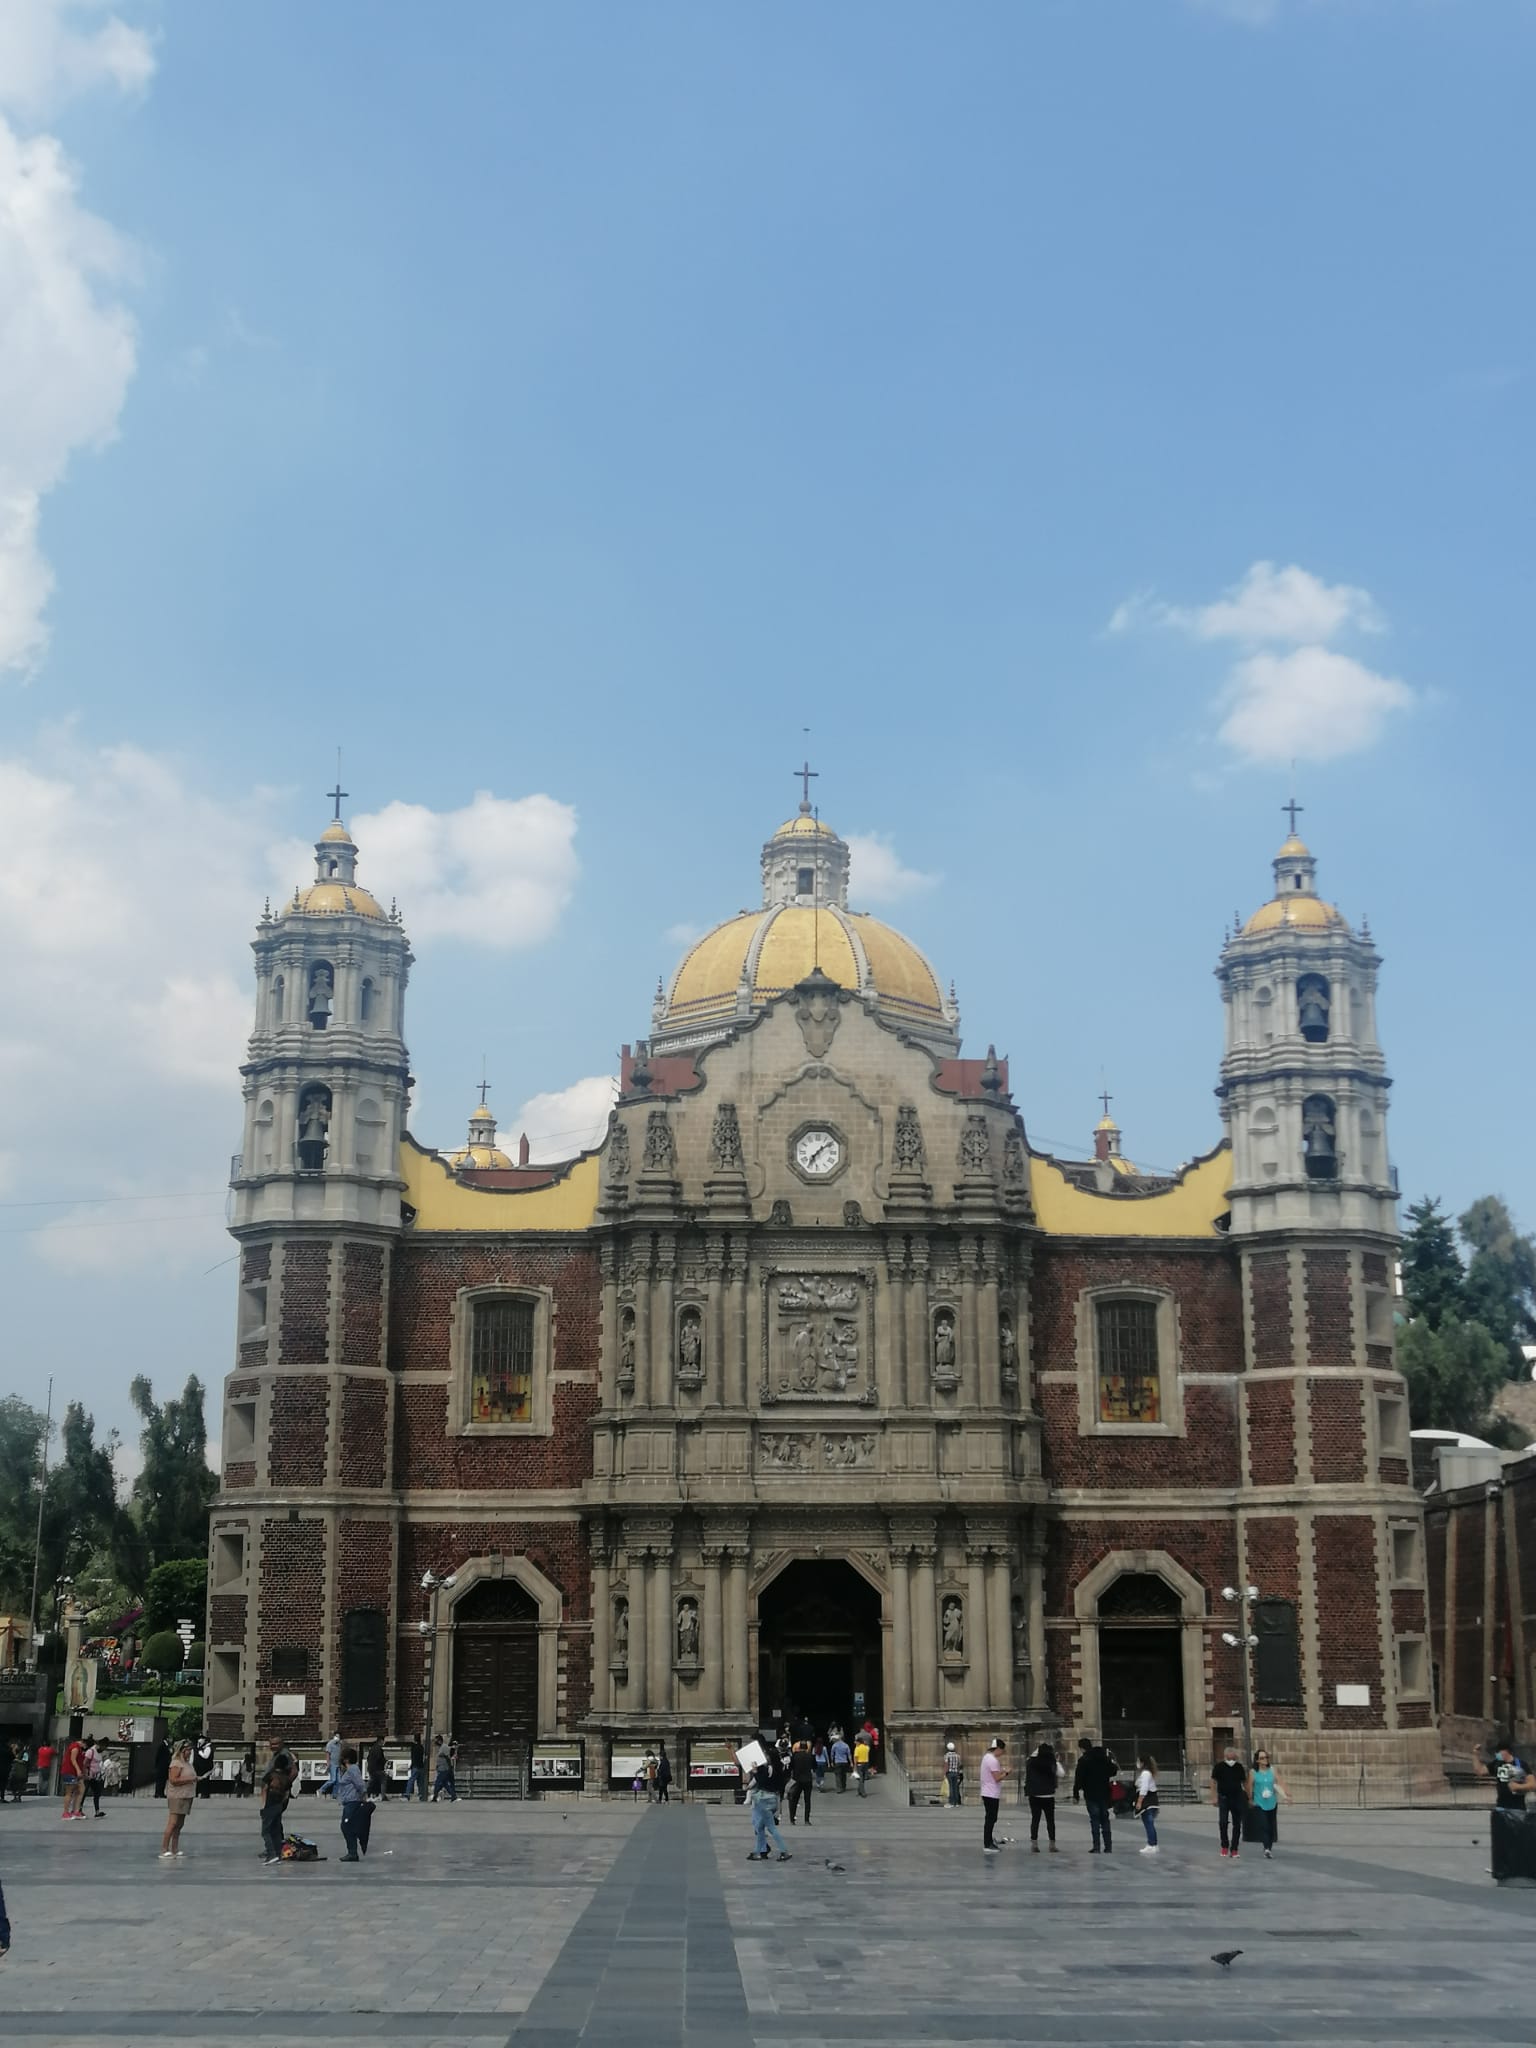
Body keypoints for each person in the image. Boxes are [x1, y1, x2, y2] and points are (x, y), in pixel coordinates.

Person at [1072, 1734, 1118, 1854]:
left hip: (1091, 1793)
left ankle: (1096, 1846)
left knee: (1095, 1820)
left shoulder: (1084, 1760)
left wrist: (1076, 1793)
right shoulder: (1103, 1758)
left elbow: (1079, 1778)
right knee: (1105, 1819)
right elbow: (1113, 1770)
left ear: (1082, 1748)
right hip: (1104, 1792)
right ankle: (1108, 1846)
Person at [745, 1750, 791, 1862]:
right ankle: (758, 1851)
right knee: (760, 1827)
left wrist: (755, 1771)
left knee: (771, 1827)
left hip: (764, 1799)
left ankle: (784, 1851)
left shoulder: (768, 1769)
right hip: (774, 1798)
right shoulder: (780, 1768)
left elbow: (762, 1781)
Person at [259, 1736, 297, 1864]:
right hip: (277, 1794)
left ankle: (272, 1852)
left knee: (269, 1825)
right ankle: (276, 1850)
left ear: (281, 1743)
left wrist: (284, 1786)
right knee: (275, 1822)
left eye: (275, 1744)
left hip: (276, 1795)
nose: (273, 1746)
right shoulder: (278, 1754)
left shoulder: (285, 1755)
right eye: (271, 1744)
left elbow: (294, 1771)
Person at [1210, 1744, 1249, 1860]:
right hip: (1224, 1798)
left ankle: (1234, 1848)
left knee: (1237, 1823)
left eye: (1234, 1754)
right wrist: (1214, 1797)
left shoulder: (1239, 1767)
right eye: (1230, 1754)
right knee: (1223, 1822)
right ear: (1226, 1755)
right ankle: (1224, 1845)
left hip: (1237, 1797)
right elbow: (1213, 1782)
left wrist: (1249, 1796)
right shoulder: (1219, 1767)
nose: (1232, 1756)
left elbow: (1244, 1782)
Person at [160, 1740, 197, 1860]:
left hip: (187, 1795)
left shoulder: (187, 1763)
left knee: (180, 1824)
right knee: (173, 1823)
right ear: (182, 1751)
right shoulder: (176, 1763)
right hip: (177, 1796)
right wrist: (190, 1779)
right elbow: (173, 1780)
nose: (190, 1752)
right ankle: (164, 1849)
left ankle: (174, 1849)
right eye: (188, 1750)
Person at [1249, 1749, 1289, 1857]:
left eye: (1266, 1757)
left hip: (1271, 1802)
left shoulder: (1272, 1770)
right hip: (1259, 1802)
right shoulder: (1253, 1772)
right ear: (1257, 1760)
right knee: (1264, 1825)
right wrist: (1250, 1799)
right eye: (1262, 1758)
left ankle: (1269, 1847)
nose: (1265, 1759)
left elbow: (1280, 1782)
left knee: (1271, 1826)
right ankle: (1266, 1847)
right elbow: (1250, 1786)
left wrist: (1286, 1795)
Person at [1025, 1740, 1062, 1852]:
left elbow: (1030, 1758)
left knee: (1035, 1819)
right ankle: (1052, 1844)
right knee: (1050, 1820)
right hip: (1048, 1795)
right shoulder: (1052, 1762)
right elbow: (1061, 1773)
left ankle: (1034, 1844)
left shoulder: (1031, 1762)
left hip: (1035, 1794)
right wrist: (1057, 1761)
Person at [336, 1745, 372, 1862]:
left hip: (353, 1801)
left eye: (342, 1757)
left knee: (346, 1826)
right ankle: (352, 1851)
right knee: (347, 1826)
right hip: (348, 1802)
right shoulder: (348, 1770)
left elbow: (360, 1784)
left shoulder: (352, 1769)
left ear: (346, 1759)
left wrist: (363, 1797)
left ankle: (352, 1852)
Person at [1481, 1740, 1536, 1809]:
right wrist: (1475, 1755)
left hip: (1517, 1808)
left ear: (1505, 1751)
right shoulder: (1496, 1763)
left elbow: (1533, 1784)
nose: (1496, 1754)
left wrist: (1518, 1787)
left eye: (1498, 1752)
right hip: (1500, 1807)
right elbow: (1480, 1771)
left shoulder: (1521, 1764)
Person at [980, 1737, 1009, 1853]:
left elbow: (992, 1774)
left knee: (991, 1818)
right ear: (997, 1749)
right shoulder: (993, 1760)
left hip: (987, 1792)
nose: (1002, 1753)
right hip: (991, 1793)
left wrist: (1001, 1771)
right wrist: (1006, 1773)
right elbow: (996, 1778)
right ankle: (987, 1844)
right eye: (1002, 1750)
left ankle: (989, 1840)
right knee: (991, 1819)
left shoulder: (986, 1758)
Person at [1135, 1755, 1159, 1854]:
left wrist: (1139, 1801)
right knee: (1149, 1823)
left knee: (1148, 1823)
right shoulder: (1147, 1773)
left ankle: (1151, 1844)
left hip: (1148, 1801)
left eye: (1138, 1761)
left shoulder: (1145, 1773)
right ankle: (1153, 1844)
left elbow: (1144, 1788)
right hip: (1151, 1801)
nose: (1137, 1764)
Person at [59, 1731, 86, 1820]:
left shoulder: (79, 1749)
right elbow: (73, 1760)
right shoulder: (75, 1747)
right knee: (69, 1792)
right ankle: (65, 1813)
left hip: (75, 1773)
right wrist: (78, 1770)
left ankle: (76, 1810)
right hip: (70, 1771)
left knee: (81, 1789)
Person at [788, 1741, 814, 1826]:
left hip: (797, 1780)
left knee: (794, 1799)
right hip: (808, 1780)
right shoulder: (810, 1756)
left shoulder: (795, 1756)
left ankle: (792, 1819)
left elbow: (790, 1767)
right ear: (807, 1748)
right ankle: (806, 1820)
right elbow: (815, 1766)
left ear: (799, 1748)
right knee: (807, 1801)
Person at [431, 1734, 457, 1803]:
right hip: (442, 1768)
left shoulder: (444, 1747)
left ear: (439, 1741)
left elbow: (448, 1757)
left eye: (436, 1741)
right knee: (444, 1783)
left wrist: (449, 1767)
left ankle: (435, 1797)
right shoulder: (441, 1748)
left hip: (444, 1769)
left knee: (438, 1783)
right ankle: (453, 1796)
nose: (435, 1743)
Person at [403, 1732, 426, 1803]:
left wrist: (411, 1765)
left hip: (415, 1766)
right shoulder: (421, 1747)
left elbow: (413, 1757)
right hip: (421, 1766)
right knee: (421, 1782)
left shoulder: (413, 1747)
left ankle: (407, 1793)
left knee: (411, 1780)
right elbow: (423, 1757)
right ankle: (421, 1795)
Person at [321, 1730, 343, 1798]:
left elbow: (340, 1754)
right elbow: (327, 1753)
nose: (338, 1738)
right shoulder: (330, 1744)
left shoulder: (339, 1744)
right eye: (337, 1736)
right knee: (333, 1780)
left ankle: (334, 1794)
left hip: (338, 1764)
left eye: (339, 1737)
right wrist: (328, 1763)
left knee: (339, 1781)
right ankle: (321, 1789)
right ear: (334, 1736)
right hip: (332, 1764)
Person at [365, 1737, 388, 1801]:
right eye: (383, 1741)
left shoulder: (372, 1748)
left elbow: (368, 1758)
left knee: (372, 1781)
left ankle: (365, 1792)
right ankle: (383, 1796)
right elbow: (379, 1759)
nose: (384, 1743)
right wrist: (384, 1762)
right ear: (380, 1741)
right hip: (377, 1769)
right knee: (384, 1779)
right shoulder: (379, 1749)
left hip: (371, 1768)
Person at [945, 1741, 964, 1807]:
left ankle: (951, 1802)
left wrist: (945, 1772)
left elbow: (946, 1765)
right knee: (955, 1788)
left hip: (950, 1773)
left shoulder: (947, 1755)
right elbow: (960, 1765)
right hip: (956, 1773)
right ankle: (956, 1803)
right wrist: (958, 1772)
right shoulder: (957, 1756)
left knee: (951, 1787)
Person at [853, 1731, 872, 1797]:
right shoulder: (866, 1748)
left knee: (860, 1778)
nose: (855, 1742)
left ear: (858, 1742)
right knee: (863, 1778)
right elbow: (867, 1746)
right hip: (866, 1763)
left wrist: (855, 1766)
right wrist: (865, 1743)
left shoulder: (857, 1748)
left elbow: (856, 1758)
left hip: (859, 1764)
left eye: (856, 1741)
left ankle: (863, 1792)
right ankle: (859, 1791)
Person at [152, 1736, 170, 1801]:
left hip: (164, 1767)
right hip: (161, 1766)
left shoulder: (167, 1746)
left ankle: (160, 1793)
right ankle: (158, 1793)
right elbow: (158, 1756)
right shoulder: (162, 1746)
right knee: (160, 1781)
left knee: (163, 1781)